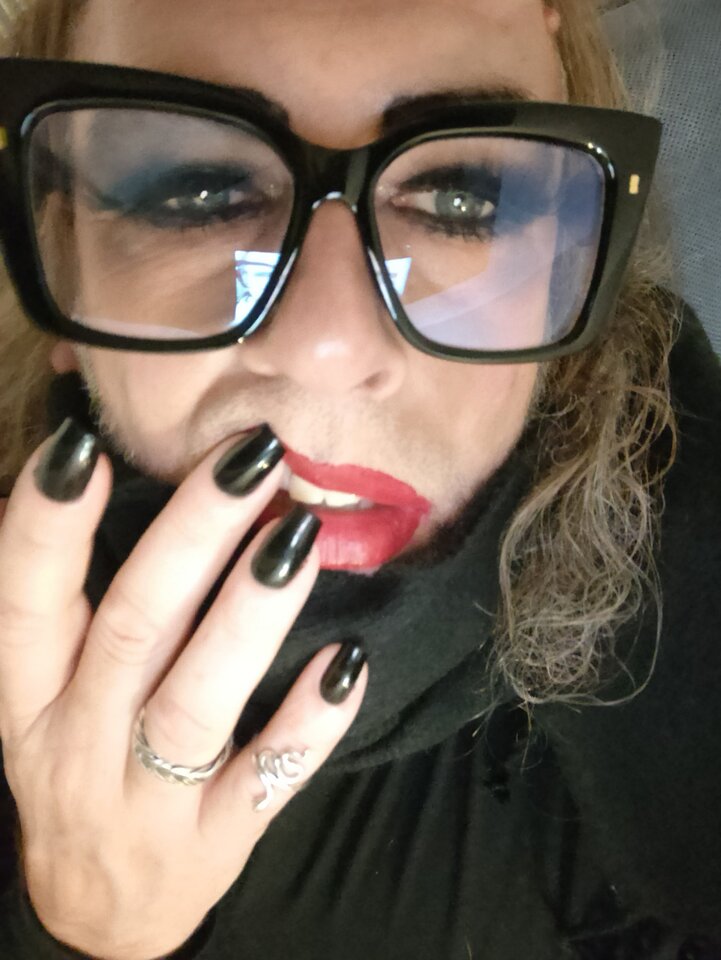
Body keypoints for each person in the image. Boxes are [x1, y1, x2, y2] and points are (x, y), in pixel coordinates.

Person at [0, 1, 719, 959]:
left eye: (463, 201)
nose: (328, 349)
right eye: (197, 193)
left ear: (566, 264)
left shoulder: (675, 496)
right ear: (60, 259)